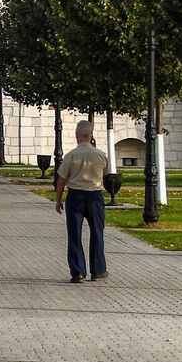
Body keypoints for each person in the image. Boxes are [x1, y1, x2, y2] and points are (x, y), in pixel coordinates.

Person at [54, 119, 109, 283]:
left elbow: (61, 180)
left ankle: (77, 272)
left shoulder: (70, 156)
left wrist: (58, 200)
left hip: (75, 196)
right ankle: (98, 270)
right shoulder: (101, 155)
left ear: (77, 136)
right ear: (91, 135)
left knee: (74, 234)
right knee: (97, 233)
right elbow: (106, 175)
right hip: (95, 196)